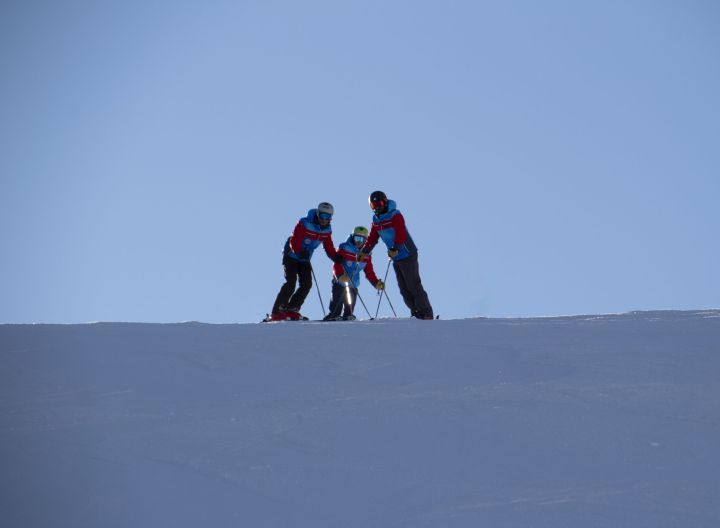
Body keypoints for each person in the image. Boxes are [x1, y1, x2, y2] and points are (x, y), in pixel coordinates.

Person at [357, 191, 434, 319]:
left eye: (379, 203)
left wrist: (396, 248)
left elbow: (401, 233)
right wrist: (364, 251)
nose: (377, 207)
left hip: (407, 253)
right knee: (403, 288)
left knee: (413, 284)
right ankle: (415, 313)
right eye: (373, 205)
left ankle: (426, 313)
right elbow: (372, 238)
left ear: (385, 202)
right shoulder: (376, 220)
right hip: (396, 256)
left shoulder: (395, 215)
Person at [269, 202, 343, 321]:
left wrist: (335, 257)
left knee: (307, 284)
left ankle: (292, 308)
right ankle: (277, 311)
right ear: (318, 214)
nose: (324, 220)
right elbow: (294, 239)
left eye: (327, 217)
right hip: (291, 255)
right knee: (291, 282)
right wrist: (299, 251)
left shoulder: (327, 230)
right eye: (322, 216)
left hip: (304, 258)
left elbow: (328, 246)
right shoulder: (305, 223)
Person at [323, 226, 384, 321]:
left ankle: (348, 315)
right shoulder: (345, 248)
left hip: (353, 283)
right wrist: (339, 276)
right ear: (352, 237)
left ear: (365, 240)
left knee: (350, 301)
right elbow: (337, 264)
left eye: (361, 239)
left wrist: (375, 283)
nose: (358, 241)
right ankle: (334, 315)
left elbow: (369, 271)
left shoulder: (366, 255)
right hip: (340, 281)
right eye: (356, 238)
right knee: (337, 300)